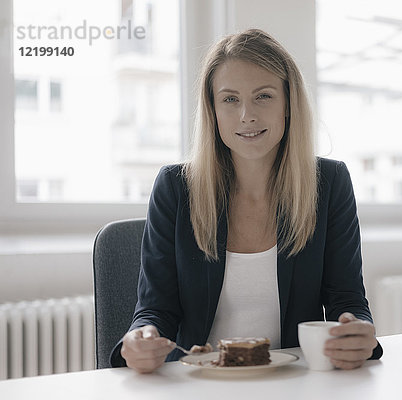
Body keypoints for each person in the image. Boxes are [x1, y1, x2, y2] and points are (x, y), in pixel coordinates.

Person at [111, 28, 383, 373]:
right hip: (197, 385)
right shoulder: (175, 188)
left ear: (289, 104)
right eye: (229, 99)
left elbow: (349, 302)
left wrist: (357, 332)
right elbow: (154, 311)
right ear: (212, 111)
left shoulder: (329, 184)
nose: (246, 115)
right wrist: (141, 338)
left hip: (294, 384)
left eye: (264, 96)